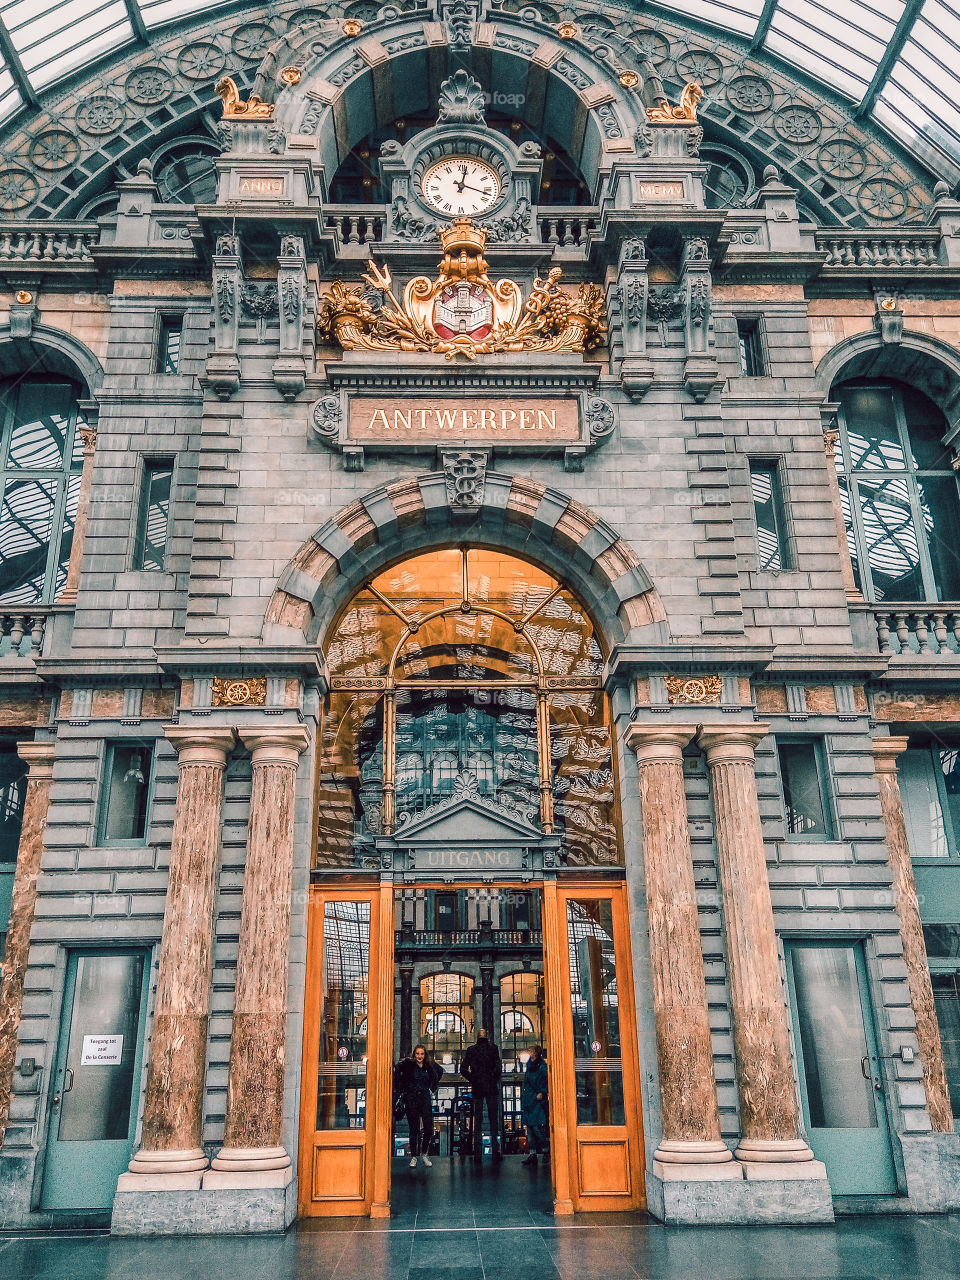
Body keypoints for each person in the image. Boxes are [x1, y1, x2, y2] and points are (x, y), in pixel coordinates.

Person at [395, 1045, 443, 1168]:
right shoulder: (409, 1065)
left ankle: (424, 1153)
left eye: (422, 1054)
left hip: (425, 1098)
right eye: (417, 1054)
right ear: (414, 1055)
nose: (419, 1056)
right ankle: (414, 1157)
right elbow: (397, 1069)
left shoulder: (429, 1066)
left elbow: (439, 1072)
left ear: (424, 1055)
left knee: (428, 1129)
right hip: (411, 1099)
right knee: (414, 1129)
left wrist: (432, 1087)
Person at [460, 1028, 503, 1163]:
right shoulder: (493, 1048)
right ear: (487, 1036)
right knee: (493, 1120)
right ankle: (495, 1150)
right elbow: (498, 1067)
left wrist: (473, 1079)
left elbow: (463, 1069)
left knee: (477, 1120)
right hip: (490, 1087)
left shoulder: (471, 1050)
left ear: (477, 1037)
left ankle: (477, 1150)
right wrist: (493, 1078)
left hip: (477, 1087)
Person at [520, 1045, 549, 1166]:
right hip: (529, 1101)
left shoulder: (541, 1067)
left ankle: (546, 1151)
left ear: (536, 1053)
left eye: (531, 1051)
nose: (530, 1053)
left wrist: (542, 1092)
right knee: (531, 1130)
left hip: (535, 1101)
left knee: (536, 1128)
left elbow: (548, 1080)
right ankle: (533, 1154)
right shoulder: (531, 1066)